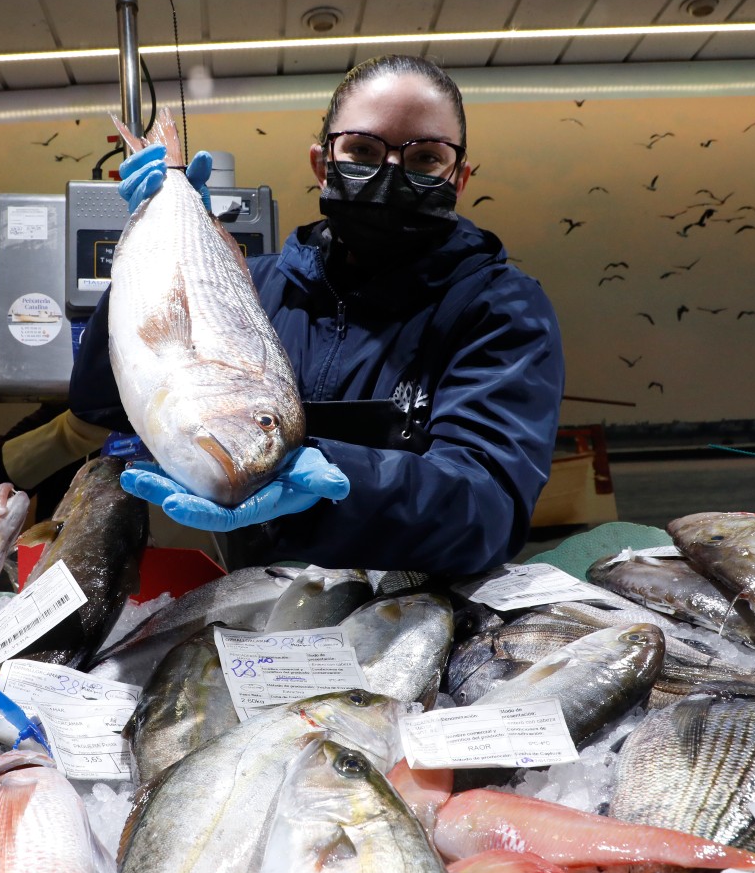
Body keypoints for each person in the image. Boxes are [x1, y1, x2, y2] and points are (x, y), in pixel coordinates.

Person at [67, 54, 565, 575]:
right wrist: (154, 257)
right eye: (363, 150)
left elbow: (487, 509)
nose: (389, 172)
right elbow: (103, 404)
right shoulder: (252, 286)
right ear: (322, 164)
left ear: (459, 178)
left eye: (424, 158)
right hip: (252, 610)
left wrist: (336, 476)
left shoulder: (502, 309)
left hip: (416, 616)